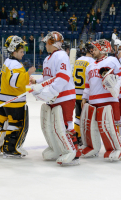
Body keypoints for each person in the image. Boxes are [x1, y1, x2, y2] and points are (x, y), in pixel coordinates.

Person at [30, 31, 80, 166]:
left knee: (65, 124)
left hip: (64, 96)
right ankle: (58, 148)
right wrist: (36, 82)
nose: (45, 45)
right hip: (55, 97)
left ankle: (74, 152)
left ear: (53, 43)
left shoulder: (61, 56)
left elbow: (62, 77)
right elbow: (48, 78)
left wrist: (51, 92)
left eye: (47, 42)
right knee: (53, 126)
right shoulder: (48, 58)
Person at [0, 36, 36, 157]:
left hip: (1, 99)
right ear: (14, 51)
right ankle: (10, 149)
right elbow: (14, 82)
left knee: (1, 122)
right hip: (12, 100)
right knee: (15, 123)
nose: (23, 53)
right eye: (21, 51)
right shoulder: (16, 65)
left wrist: (25, 78)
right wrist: (27, 74)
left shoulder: (7, 62)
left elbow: (10, 80)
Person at [81, 39, 121, 161]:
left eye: (95, 49)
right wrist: (85, 97)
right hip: (93, 101)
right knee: (91, 127)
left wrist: (117, 86)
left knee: (108, 127)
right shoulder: (90, 66)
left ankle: (115, 149)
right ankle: (92, 148)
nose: (93, 51)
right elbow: (88, 85)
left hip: (109, 100)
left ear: (103, 49)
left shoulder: (112, 60)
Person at [72, 41, 95, 146]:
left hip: (75, 92)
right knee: (88, 117)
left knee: (77, 116)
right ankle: (87, 138)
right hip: (86, 94)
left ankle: (77, 136)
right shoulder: (92, 62)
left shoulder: (78, 60)